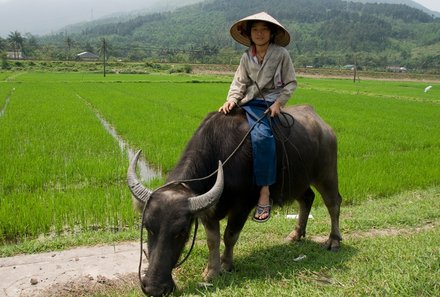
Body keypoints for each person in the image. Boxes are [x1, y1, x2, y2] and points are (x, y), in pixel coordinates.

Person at [219, 12, 297, 222]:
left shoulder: (281, 54)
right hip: (247, 102)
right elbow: (239, 83)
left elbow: (291, 83)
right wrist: (231, 100)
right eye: (255, 29)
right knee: (220, 127)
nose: (259, 33)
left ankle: (264, 193)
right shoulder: (246, 57)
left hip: (267, 104)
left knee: (262, 138)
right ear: (249, 33)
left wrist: (278, 104)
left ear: (271, 33)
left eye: (264, 29)